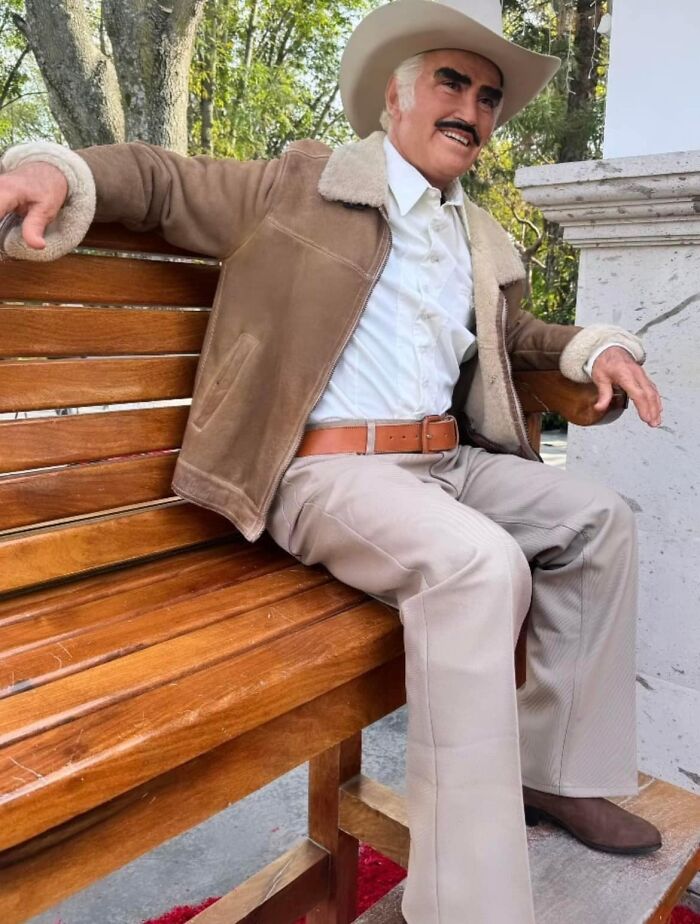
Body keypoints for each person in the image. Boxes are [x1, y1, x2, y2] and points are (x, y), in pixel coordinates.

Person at [0, 1, 664, 921]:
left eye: (489, 96)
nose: (473, 107)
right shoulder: (301, 184)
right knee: (479, 567)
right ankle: (467, 904)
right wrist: (49, 168)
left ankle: (552, 773)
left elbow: (514, 336)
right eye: (451, 82)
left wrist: (595, 350)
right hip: (324, 473)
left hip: (442, 465)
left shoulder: (476, 236)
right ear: (393, 99)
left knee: (598, 521)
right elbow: (158, 180)